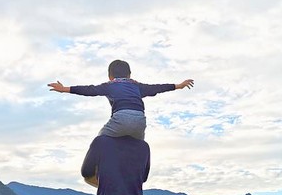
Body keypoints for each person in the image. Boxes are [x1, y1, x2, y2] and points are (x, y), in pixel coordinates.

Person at [48, 59, 193, 140]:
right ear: (129, 75)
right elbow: (157, 87)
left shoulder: (109, 85)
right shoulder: (137, 86)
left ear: (109, 76)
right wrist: (178, 86)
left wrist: (65, 89)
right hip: (140, 121)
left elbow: (89, 90)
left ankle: (95, 172)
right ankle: (137, 170)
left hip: (121, 118)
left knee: (100, 139)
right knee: (139, 146)